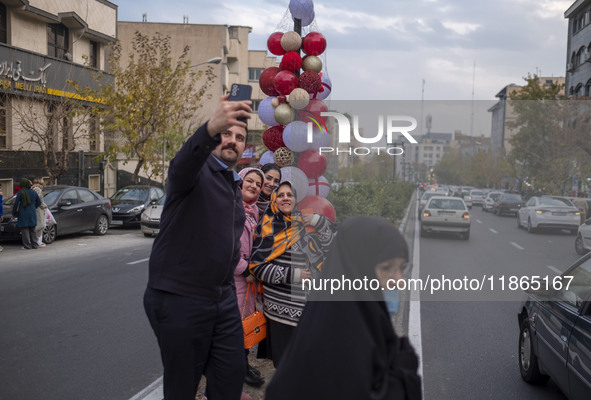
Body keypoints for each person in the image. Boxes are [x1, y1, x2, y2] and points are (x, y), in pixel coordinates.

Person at [143, 94, 252, 400]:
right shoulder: (195, 172)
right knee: (182, 388)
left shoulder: (232, 184)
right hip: (180, 299)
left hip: (223, 299)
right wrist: (209, 128)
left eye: (240, 137)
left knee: (231, 377)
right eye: (226, 134)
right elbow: (182, 163)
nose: (232, 141)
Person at [265, 216, 422, 400]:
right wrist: (404, 372)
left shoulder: (362, 317)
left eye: (402, 268)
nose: (399, 280)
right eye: (387, 268)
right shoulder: (337, 335)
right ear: (357, 269)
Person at [249, 181, 335, 367]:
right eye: (281, 195)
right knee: (285, 364)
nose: (286, 198)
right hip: (281, 310)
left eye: (290, 195)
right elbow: (257, 267)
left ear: (296, 199)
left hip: (309, 307)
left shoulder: (305, 222)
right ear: (274, 199)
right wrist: (293, 275)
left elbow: (329, 252)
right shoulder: (267, 227)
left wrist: (319, 223)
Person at [235, 167, 266, 388]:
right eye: (249, 180)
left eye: (258, 183)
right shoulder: (230, 208)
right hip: (235, 278)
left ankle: (242, 367)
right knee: (235, 326)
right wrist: (245, 270)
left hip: (250, 279)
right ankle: (235, 372)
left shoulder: (254, 212)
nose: (253, 186)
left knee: (246, 323)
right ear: (240, 181)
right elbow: (225, 247)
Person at [12, 179, 42, 250]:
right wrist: (33, 207)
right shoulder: (34, 192)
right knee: (33, 229)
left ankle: (27, 246)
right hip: (32, 212)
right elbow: (39, 202)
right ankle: (35, 245)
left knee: (24, 229)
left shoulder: (21, 192)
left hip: (23, 212)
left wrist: (14, 213)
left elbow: (16, 204)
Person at [31, 178, 47, 247]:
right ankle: (38, 242)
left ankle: (36, 241)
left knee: (37, 225)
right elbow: (39, 201)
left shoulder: (32, 188)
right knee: (41, 225)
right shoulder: (38, 190)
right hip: (38, 209)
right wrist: (44, 206)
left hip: (33, 209)